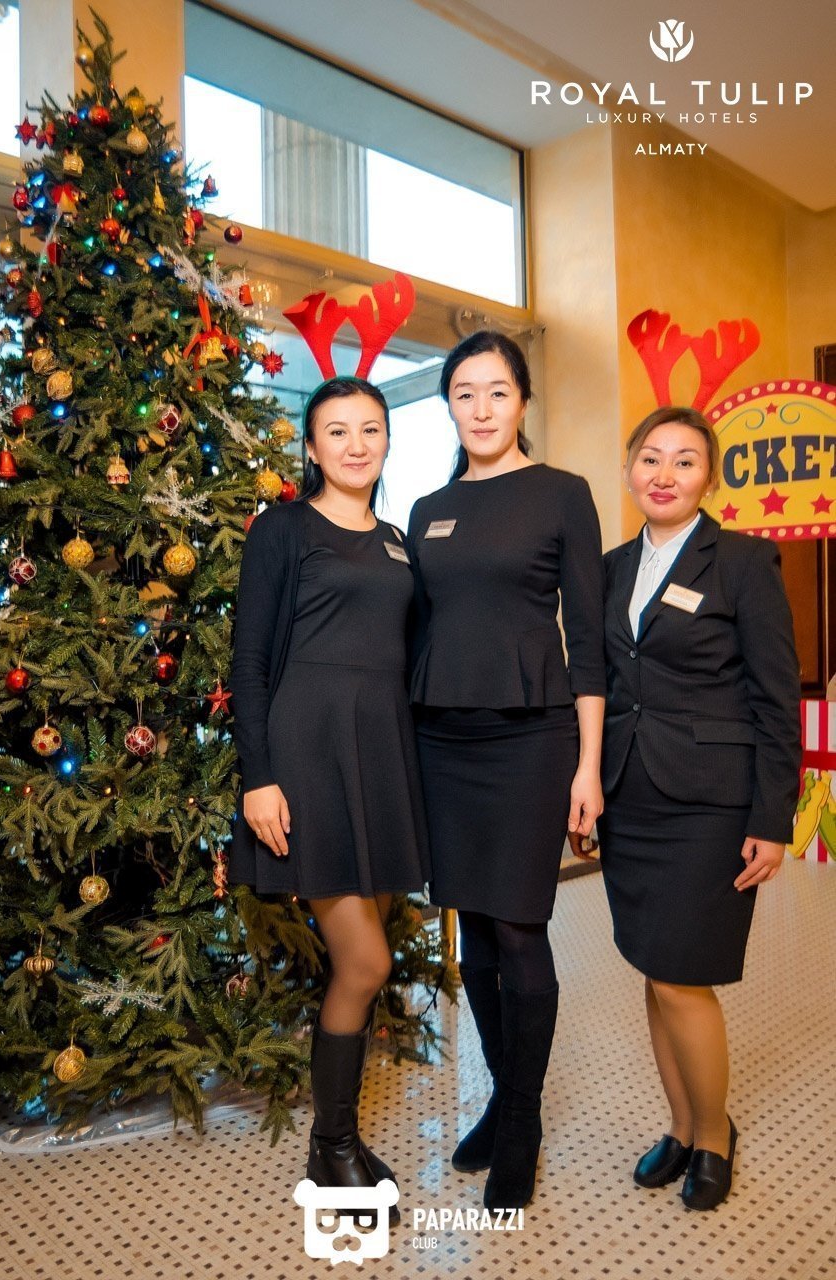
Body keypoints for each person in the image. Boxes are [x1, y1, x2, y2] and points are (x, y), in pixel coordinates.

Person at [407, 331, 606, 1210]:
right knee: (475, 935)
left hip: (531, 742)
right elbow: (415, 631)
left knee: (520, 929)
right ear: (448, 404)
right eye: (464, 392)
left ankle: (521, 1122)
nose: (481, 408)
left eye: (497, 391)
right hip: (441, 742)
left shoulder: (562, 493)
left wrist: (588, 767)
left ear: (522, 400)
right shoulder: (427, 508)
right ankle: (500, 1095)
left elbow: (588, 642)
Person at [229, 377, 430, 1212]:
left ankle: (337, 1142)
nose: (355, 444)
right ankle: (331, 1147)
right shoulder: (283, 529)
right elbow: (249, 660)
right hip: (308, 757)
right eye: (336, 431)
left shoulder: (395, 540)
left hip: (380, 756)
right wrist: (259, 776)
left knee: (366, 955)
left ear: (386, 440)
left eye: (370, 429)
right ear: (310, 447)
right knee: (366, 961)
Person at [594, 406, 801, 1211]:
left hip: (709, 802)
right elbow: (602, 685)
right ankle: (680, 1126)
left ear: (707, 478)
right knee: (654, 969)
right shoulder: (611, 567)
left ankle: (715, 1135)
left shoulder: (743, 560)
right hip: (630, 795)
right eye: (650, 457)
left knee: (682, 976)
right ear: (629, 469)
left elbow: (774, 698)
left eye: (684, 460)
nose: (664, 474)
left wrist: (770, 819)